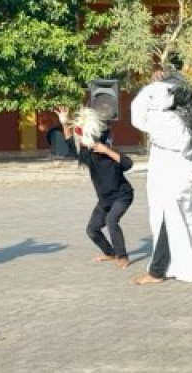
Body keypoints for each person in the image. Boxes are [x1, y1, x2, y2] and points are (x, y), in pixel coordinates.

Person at [129, 70, 192, 284]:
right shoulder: (189, 120)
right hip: (189, 176)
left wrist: (152, 86)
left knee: (170, 220)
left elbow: (136, 114)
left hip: (172, 177)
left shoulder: (165, 121)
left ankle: (158, 271)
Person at [54, 106, 134, 270]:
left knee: (112, 221)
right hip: (105, 200)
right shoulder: (87, 155)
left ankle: (122, 256)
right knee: (92, 230)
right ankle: (109, 252)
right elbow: (70, 144)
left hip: (122, 196)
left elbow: (128, 164)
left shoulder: (110, 154)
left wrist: (106, 150)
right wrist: (64, 122)